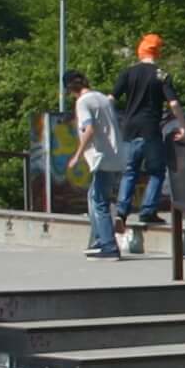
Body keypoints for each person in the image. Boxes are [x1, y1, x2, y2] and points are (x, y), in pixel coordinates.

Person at [112, 33, 185, 251]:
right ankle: (147, 210)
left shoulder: (128, 72)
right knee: (156, 171)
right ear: (158, 51)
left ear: (140, 50)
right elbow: (173, 102)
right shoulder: (161, 75)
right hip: (150, 129)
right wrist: (182, 125)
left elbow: (110, 99)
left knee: (130, 172)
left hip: (129, 129)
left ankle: (122, 213)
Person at [68, 69, 125, 260]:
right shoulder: (102, 97)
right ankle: (100, 240)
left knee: (99, 202)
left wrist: (77, 155)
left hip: (102, 158)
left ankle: (109, 246)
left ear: (70, 89)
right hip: (116, 155)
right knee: (93, 197)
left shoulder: (82, 102)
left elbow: (89, 129)